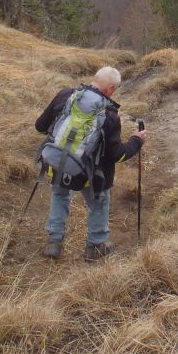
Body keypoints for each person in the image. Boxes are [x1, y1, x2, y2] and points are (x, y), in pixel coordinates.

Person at [35, 66, 147, 260]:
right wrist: (137, 140)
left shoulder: (66, 95)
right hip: (90, 175)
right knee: (98, 202)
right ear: (110, 88)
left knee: (60, 195)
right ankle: (95, 246)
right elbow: (117, 155)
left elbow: (40, 126)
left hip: (57, 163)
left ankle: (54, 242)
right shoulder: (109, 115)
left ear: (95, 79)